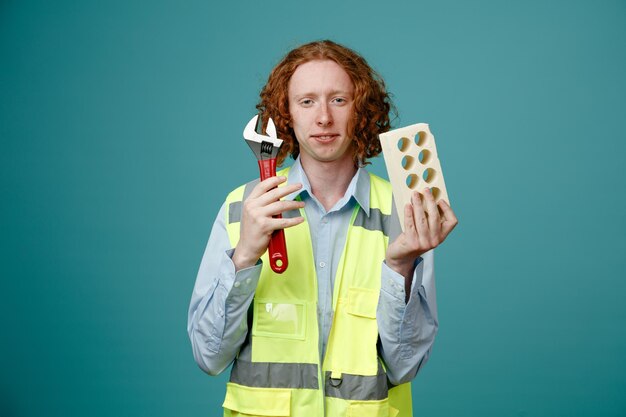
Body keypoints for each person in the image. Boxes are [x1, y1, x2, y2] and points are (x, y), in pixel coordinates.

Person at [187, 40, 458, 417]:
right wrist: (245, 256)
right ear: (287, 114)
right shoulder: (241, 208)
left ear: (361, 111)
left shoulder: (404, 213)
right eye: (307, 101)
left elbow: (405, 366)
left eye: (339, 100)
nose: (324, 119)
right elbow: (209, 356)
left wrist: (400, 268)